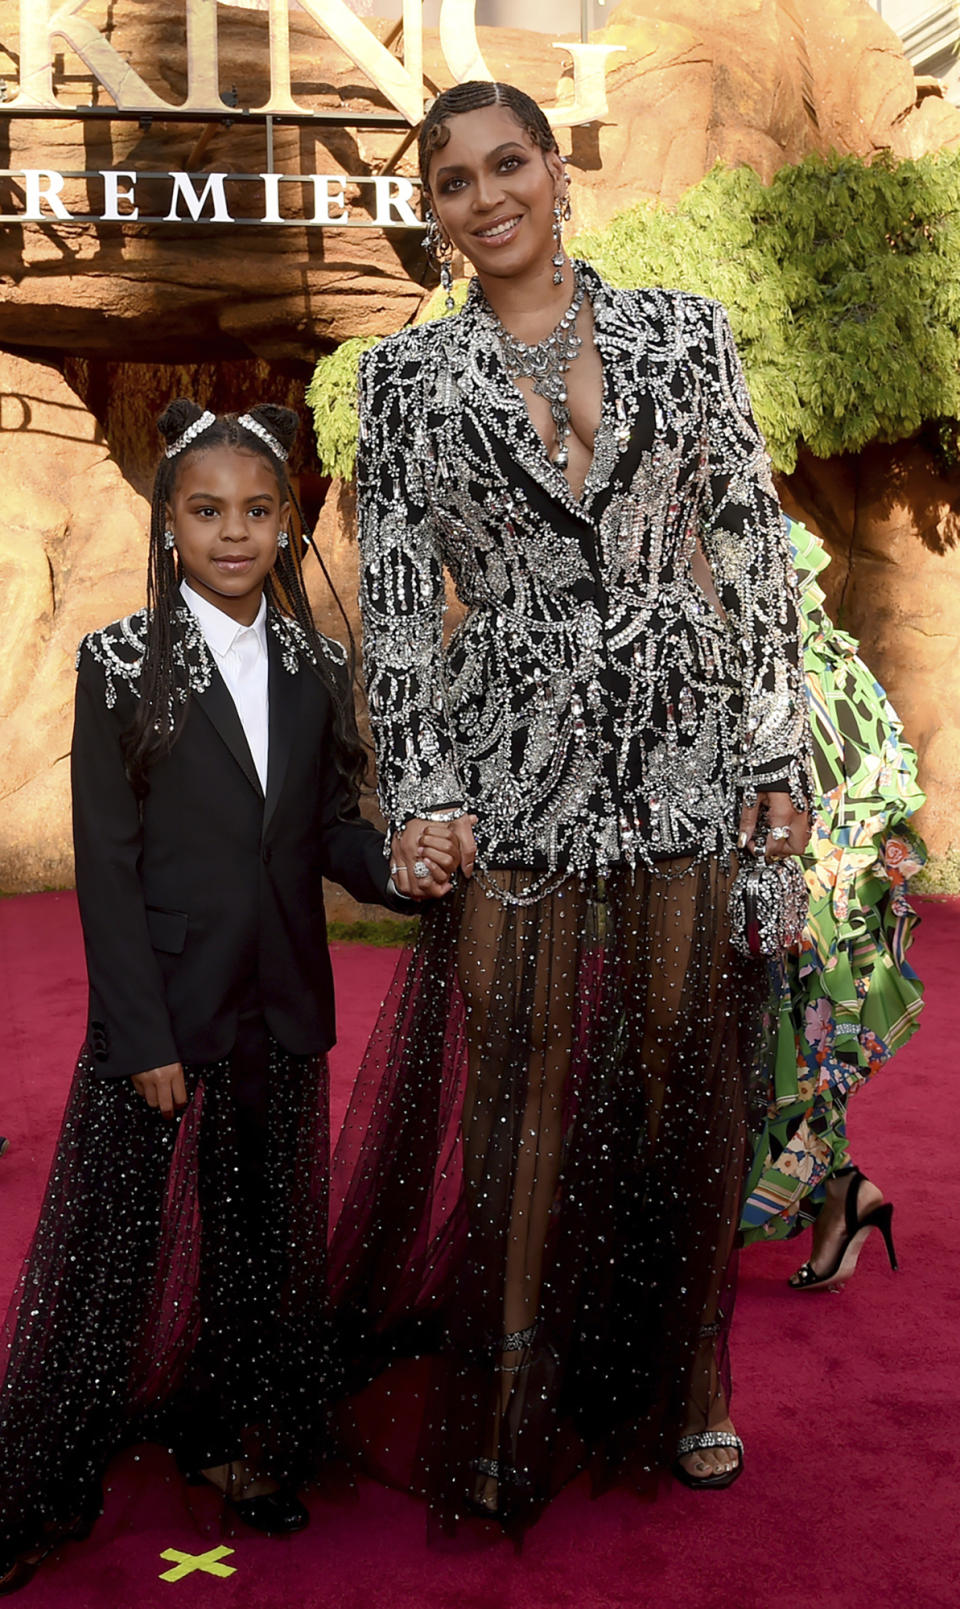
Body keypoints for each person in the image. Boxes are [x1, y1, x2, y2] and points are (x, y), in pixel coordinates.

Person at [327, 79, 811, 1536]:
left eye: (509, 164)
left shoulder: (680, 329)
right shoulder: (407, 386)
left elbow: (748, 533)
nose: (489, 200)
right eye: (456, 182)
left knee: (682, 1079)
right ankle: (507, 1394)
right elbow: (402, 604)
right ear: (436, 214)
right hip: (512, 763)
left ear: (556, 168)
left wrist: (776, 749)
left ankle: (688, 1381)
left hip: (681, 737)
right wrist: (423, 789)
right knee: (518, 1089)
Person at [0, 400, 459, 1595]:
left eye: (259, 510)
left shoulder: (315, 665)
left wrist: (398, 870)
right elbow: (105, 863)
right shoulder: (116, 663)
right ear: (169, 524)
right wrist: (137, 1030)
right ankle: (53, 1463)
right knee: (120, 1240)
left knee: (263, 1238)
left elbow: (325, 832)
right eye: (207, 511)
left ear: (286, 520)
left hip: (281, 1004)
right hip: (162, 1010)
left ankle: (246, 1443)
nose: (235, 532)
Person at [741, 518, 924, 1288]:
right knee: (793, 1052)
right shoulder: (829, 658)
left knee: (792, 1048)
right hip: (812, 883)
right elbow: (891, 764)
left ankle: (834, 1192)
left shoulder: (794, 661)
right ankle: (844, 1193)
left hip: (809, 889)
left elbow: (874, 785)